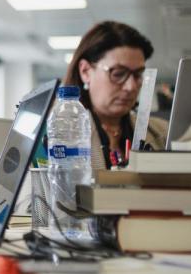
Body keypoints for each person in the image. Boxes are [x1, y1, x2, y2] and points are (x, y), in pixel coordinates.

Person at [64, 20, 168, 170]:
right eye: (118, 73)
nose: (131, 86)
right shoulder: (60, 136)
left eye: (138, 74)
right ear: (85, 71)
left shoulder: (163, 133)